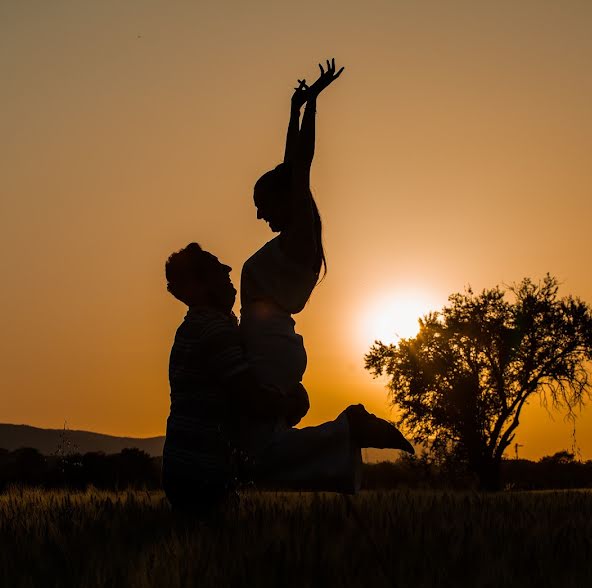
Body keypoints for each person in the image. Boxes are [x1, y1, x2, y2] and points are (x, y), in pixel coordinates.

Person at [162, 243, 413, 515]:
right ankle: (349, 429)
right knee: (263, 453)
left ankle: (346, 432)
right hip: (203, 470)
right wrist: (288, 404)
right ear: (197, 286)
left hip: (187, 469)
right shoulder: (213, 329)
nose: (228, 270)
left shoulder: (194, 328)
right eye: (216, 269)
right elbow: (249, 398)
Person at [240, 59, 344, 424]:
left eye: (261, 206)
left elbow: (300, 166)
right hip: (272, 344)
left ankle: (341, 433)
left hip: (270, 348)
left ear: (282, 200)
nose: (258, 215)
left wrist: (312, 104)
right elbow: (290, 164)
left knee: (257, 441)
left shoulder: (300, 231)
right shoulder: (295, 233)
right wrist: (293, 110)